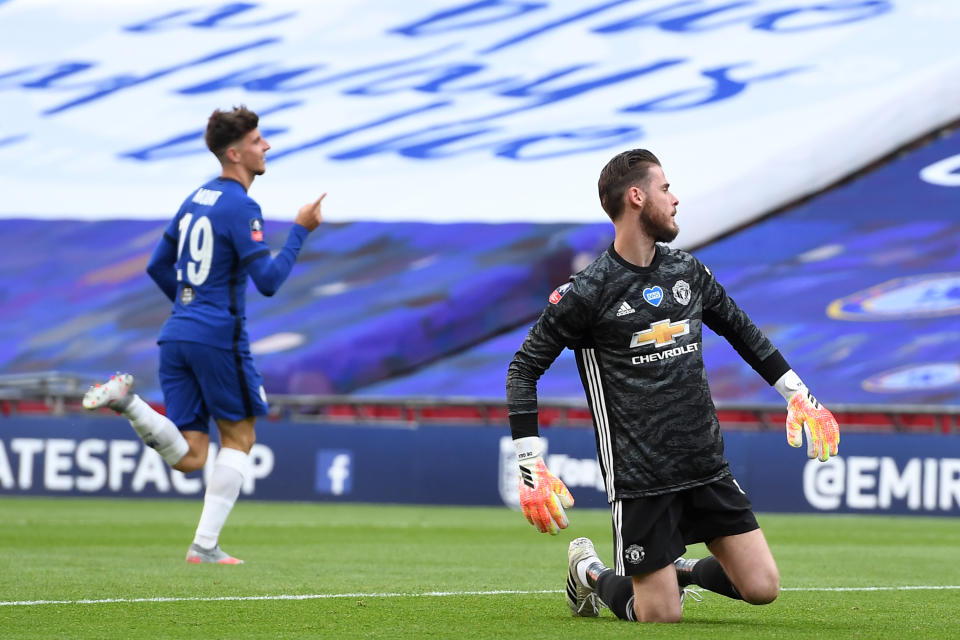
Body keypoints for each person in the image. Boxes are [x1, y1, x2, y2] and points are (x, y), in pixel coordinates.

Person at [505, 149, 840, 622]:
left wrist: (797, 394)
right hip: (642, 478)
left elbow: (743, 331)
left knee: (763, 588)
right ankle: (590, 572)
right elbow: (523, 368)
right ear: (637, 197)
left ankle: (675, 570)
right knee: (659, 616)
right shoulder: (588, 291)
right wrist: (528, 464)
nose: (676, 198)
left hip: (705, 463)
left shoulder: (687, 271)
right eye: (666, 188)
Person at [82, 105, 326, 564]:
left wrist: (188, 305)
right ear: (234, 153)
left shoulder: (196, 198)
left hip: (176, 334)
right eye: (257, 140)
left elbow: (157, 264)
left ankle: (128, 402)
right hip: (217, 336)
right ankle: (205, 545)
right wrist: (300, 231)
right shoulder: (241, 205)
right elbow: (269, 281)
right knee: (240, 438)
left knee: (193, 455)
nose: (266, 145)